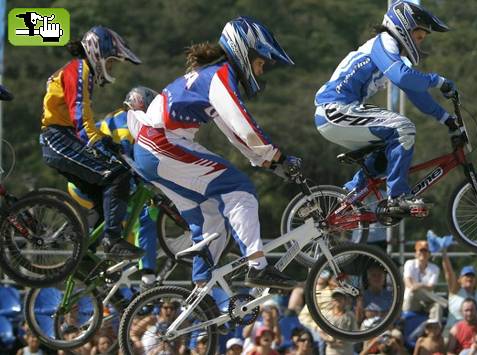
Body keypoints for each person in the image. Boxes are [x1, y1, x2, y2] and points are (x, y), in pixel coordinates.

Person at [131, 16, 300, 288]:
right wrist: (277, 156)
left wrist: (265, 160)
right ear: (245, 52)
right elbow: (244, 127)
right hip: (161, 144)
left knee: (211, 214)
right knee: (240, 189)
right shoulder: (220, 77)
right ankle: (257, 265)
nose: (261, 70)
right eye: (260, 62)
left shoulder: (213, 76)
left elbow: (233, 133)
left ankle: (201, 291)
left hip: (151, 150)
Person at [313, 0, 458, 216]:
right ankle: (397, 197)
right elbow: (403, 76)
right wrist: (437, 80)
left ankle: (350, 194)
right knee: (403, 128)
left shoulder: (392, 54)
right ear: (403, 28)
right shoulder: (384, 42)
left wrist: (446, 119)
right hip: (334, 109)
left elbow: (415, 92)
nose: (419, 45)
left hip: (339, 112)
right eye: (418, 37)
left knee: (389, 148)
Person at [40, 25, 144, 259]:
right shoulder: (79, 70)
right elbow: (80, 114)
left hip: (63, 137)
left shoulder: (80, 71)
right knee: (118, 175)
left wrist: (104, 142)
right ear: (98, 54)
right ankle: (112, 240)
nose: (111, 68)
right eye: (111, 62)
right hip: (57, 137)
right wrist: (99, 142)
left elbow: (81, 117)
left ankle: (84, 255)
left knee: (103, 197)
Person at [68, 86, 161, 288]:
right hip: (92, 177)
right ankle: (148, 276)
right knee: (146, 213)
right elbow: (130, 163)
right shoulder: (127, 124)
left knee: (117, 209)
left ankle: (88, 249)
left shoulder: (120, 119)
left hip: (87, 176)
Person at [442, 249, 477, 331]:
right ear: (460, 279)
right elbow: (448, 273)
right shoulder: (456, 290)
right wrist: (444, 254)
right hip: (453, 329)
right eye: (466, 276)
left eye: (472, 276)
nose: (469, 278)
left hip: (474, 330)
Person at [403, 240, 441, 319]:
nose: (423, 253)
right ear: (416, 253)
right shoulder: (409, 263)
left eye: (425, 251)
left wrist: (418, 285)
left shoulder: (435, 268)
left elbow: (431, 287)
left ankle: (433, 329)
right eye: (421, 250)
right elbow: (408, 283)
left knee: (437, 306)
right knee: (412, 293)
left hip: (427, 300)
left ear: (429, 254)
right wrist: (423, 286)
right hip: (412, 298)